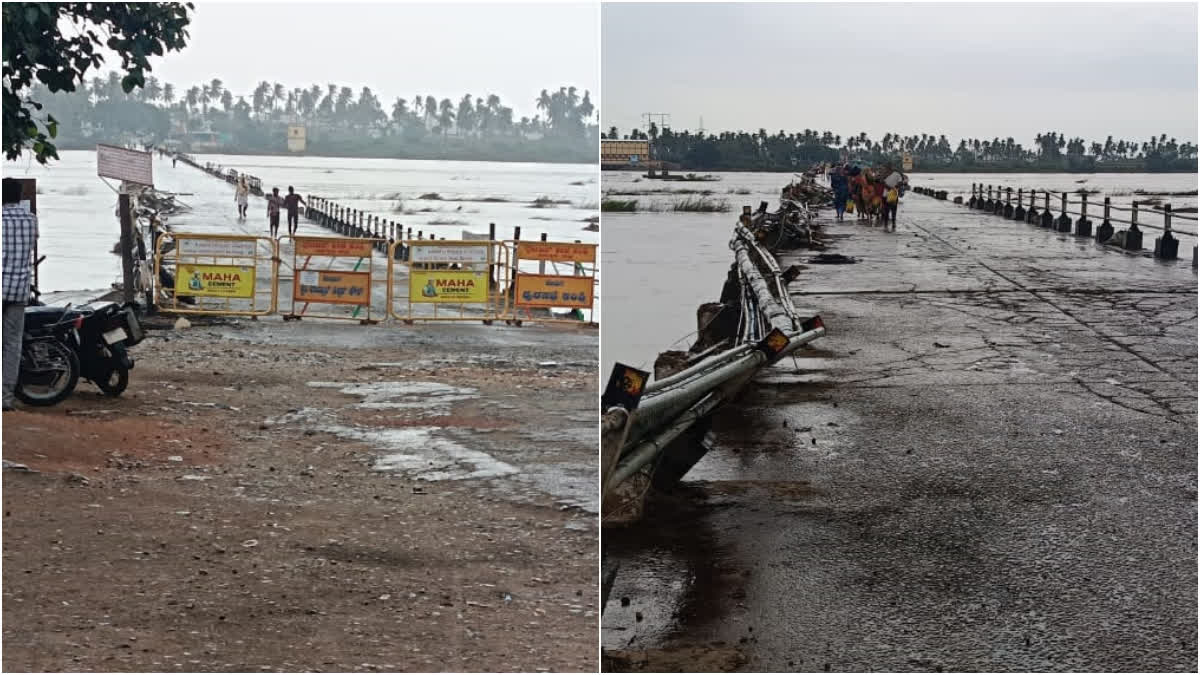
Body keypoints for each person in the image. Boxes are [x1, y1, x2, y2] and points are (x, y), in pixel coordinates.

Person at [2, 178, 37, 411]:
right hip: (18, 289)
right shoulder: (31, 220)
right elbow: (31, 247)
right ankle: (4, 398)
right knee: (12, 344)